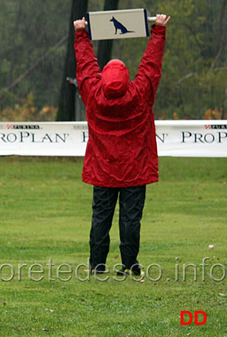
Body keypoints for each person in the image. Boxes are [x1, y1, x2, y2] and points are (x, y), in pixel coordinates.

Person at [73, 14, 171, 275]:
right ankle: (129, 264)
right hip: (135, 169)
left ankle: (97, 265)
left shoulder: (94, 95)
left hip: (103, 170)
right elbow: (151, 66)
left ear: (103, 78)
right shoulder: (140, 94)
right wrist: (158, 31)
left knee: (100, 218)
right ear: (127, 77)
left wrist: (81, 34)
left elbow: (85, 67)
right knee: (131, 219)